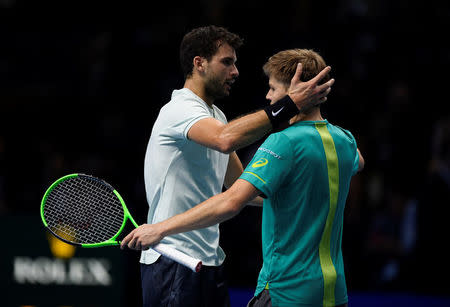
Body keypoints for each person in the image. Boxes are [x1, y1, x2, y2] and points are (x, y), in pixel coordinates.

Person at [128, 25, 334, 307]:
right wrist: (290, 104)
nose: (236, 71)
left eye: (235, 63)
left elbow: (243, 187)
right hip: (172, 259)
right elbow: (225, 140)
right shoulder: (179, 110)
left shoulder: (216, 115)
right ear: (198, 63)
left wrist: (302, 197)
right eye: (227, 62)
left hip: (208, 262)